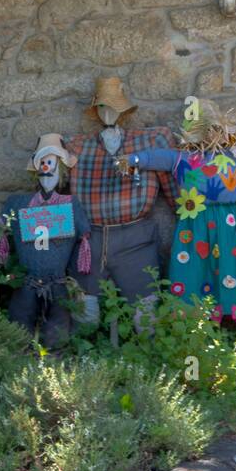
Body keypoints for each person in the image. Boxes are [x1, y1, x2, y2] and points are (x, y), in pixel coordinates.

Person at [125, 101, 236, 324]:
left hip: (229, 223)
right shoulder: (181, 159)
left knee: (228, 264)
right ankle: (198, 318)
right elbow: (155, 157)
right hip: (196, 224)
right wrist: (133, 160)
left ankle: (223, 315)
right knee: (195, 267)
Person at [64, 77, 178, 321]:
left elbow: (172, 186)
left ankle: (146, 354)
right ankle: (85, 354)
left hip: (135, 237)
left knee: (145, 309)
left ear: (123, 109)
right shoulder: (78, 147)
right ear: (96, 110)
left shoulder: (148, 142)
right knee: (85, 307)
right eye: (103, 107)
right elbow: (60, 193)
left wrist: (186, 213)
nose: (108, 113)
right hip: (90, 239)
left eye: (114, 106)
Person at [0, 134, 91, 348]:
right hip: (27, 281)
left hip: (57, 281)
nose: (46, 169)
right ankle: (18, 362)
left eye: (52, 163)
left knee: (57, 333)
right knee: (19, 330)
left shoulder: (71, 205)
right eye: (43, 163)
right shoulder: (18, 204)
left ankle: (54, 365)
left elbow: (82, 243)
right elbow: (3, 230)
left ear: (62, 170)